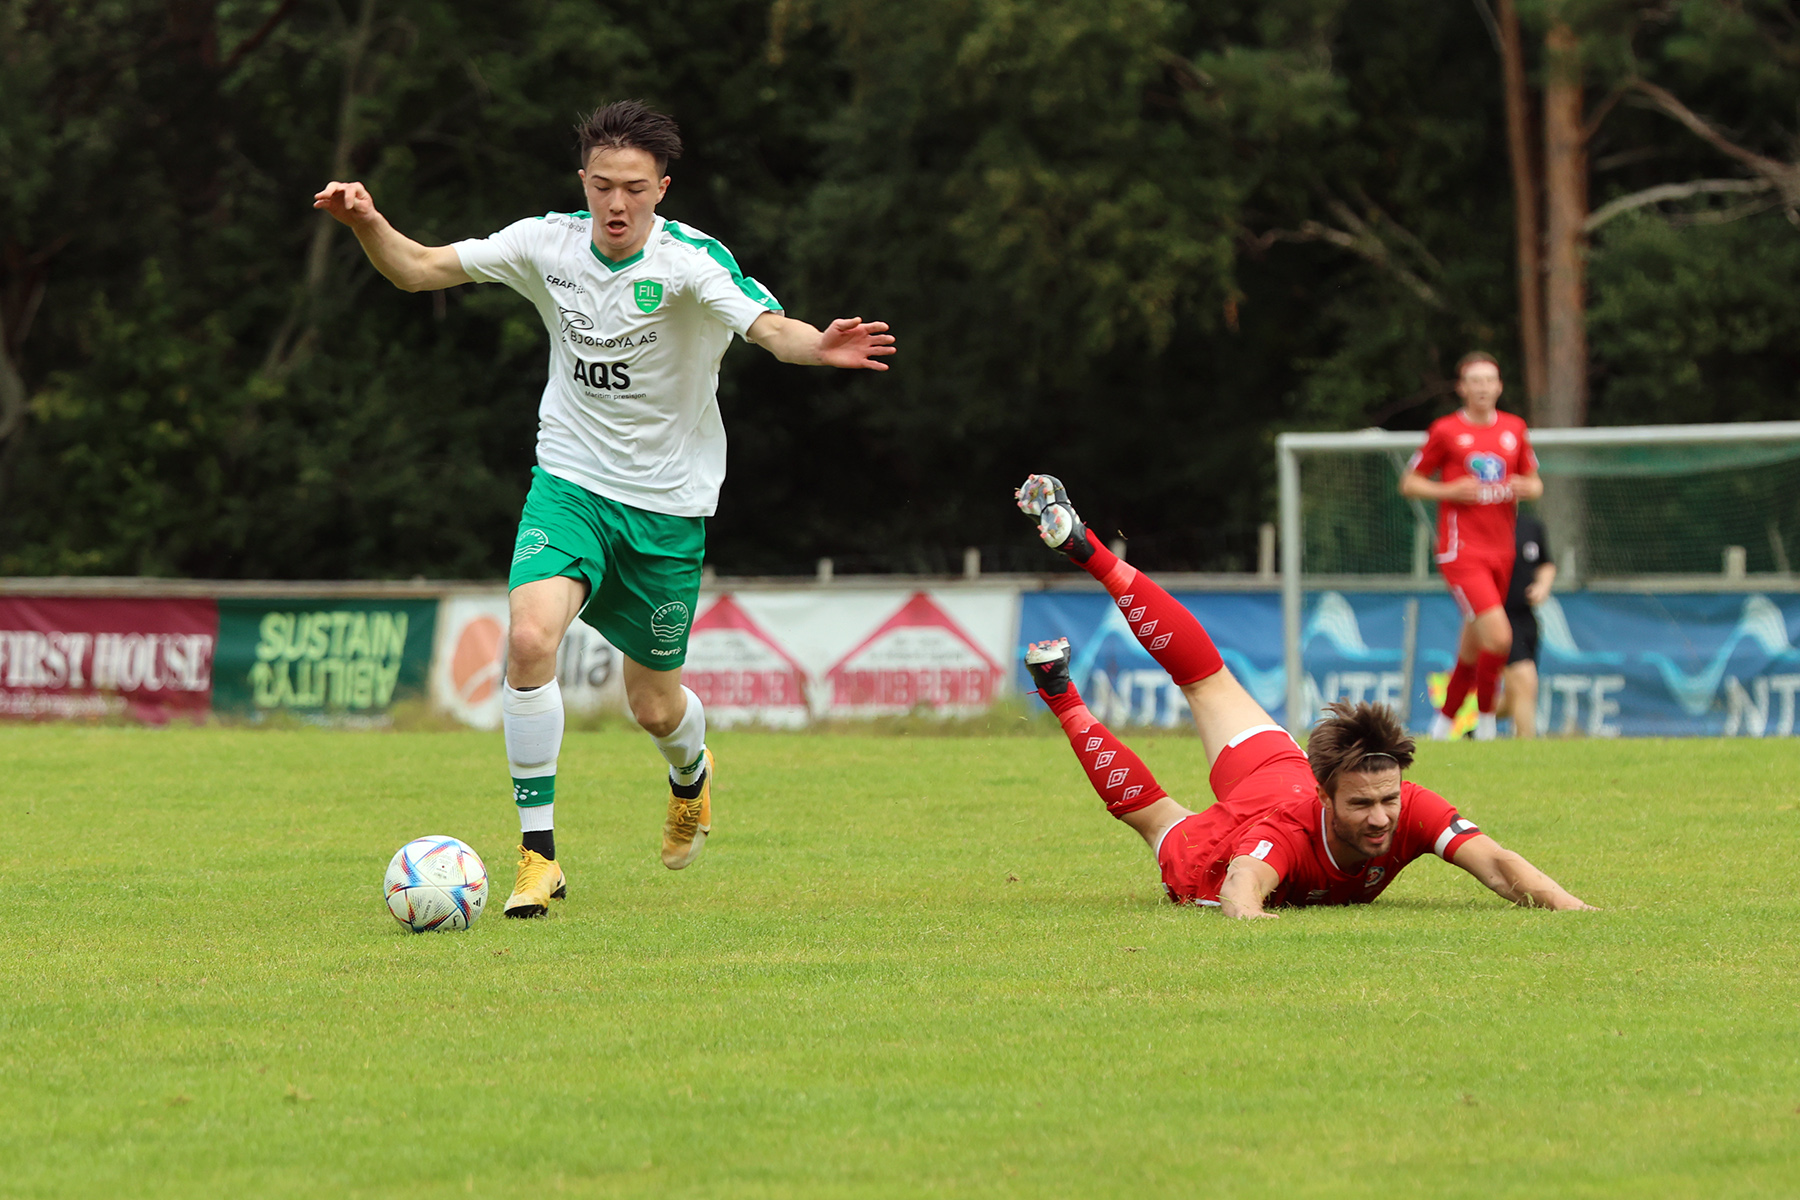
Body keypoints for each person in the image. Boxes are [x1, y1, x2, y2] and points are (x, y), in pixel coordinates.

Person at [315, 101, 896, 917]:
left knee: (654, 706)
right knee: (526, 638)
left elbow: (768, 328)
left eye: (633, 189)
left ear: (663, 187)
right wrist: (367, 222)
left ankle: (691, 775)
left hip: (666, 508)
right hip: (571, 482)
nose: (616, 205)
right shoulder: (544, 244)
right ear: (581, 183)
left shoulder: (693, 261)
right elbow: (416, 270)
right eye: (600, 187)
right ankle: (537, 858)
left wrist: (817, 345)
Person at [1014, 473, 1592, 917]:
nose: (1380, 818)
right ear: (1325, 798)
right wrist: (1249, 920)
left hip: (1276, 769)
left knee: (1207, 680)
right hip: (1226, 842)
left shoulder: (1407, 804)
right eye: (1361, 806)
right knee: (1159, 821)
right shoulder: (1286, 838)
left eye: (1386, 800)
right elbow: (1243, 884)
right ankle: (1061, 694)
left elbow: (1495, 863)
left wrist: (1576, 910)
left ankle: (1087, 547)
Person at [1399, 352, 1542, 741]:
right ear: (1462, 388)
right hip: (1461, 551)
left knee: (1473, 647)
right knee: (1499, 637)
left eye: (1488, 380)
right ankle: (1486, 723)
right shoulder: (1446, 430)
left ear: (1499, 386)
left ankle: (1444, 724)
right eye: (1474, 381)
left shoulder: (1514, 428)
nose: (1482, 388)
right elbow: (1410, 483)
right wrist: (1448, 490)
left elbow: (1534, 481)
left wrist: (1526, 487)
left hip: (1502, 550)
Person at [1496, 512, 1556, 738]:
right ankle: (1527, 748)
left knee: (1517, 694)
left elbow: (1546, 564)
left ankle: (1469, 723)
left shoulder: (1531, 526)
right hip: (1498, 616)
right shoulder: (1485, 527)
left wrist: (1542, 586)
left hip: (1527, 618)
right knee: (1525, 678)